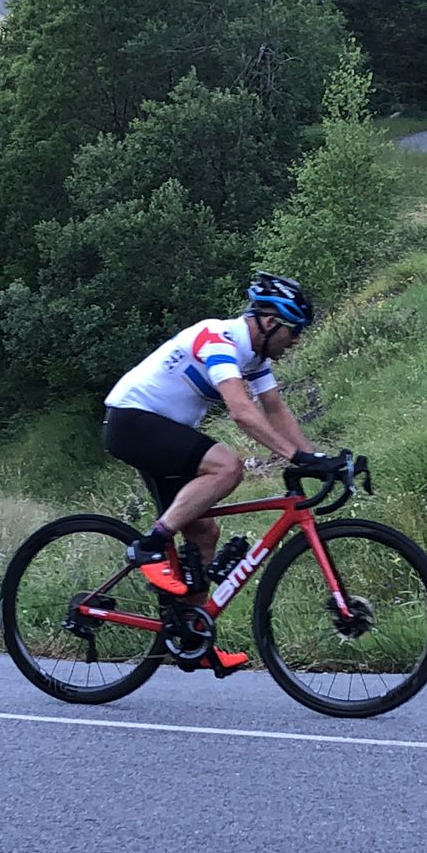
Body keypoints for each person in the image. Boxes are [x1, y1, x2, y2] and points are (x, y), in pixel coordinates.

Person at [101, 272, 346, 673]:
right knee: (227, 466)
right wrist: (294, 457)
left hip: (161, 432)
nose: (297, 340)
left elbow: (275, 409)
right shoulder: (219, 338)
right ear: (269, 322)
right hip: (132, 423)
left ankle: (189, 638)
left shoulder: (256, 357)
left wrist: (316, 457)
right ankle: (151, 545)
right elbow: (241, 411)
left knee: (203, 534)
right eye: (294, 331)